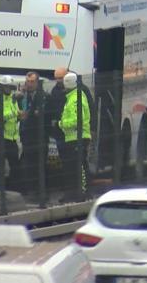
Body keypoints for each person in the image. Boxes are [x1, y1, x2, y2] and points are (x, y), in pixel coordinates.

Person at [58, 72, 91, 201]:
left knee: (80, 165)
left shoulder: (76, 99)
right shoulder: (72, 97)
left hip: (79, 137)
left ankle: (82, 193)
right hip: (72, 137)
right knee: (71, 167)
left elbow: (78, 119)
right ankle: (72, 193)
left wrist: (62, 124)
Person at [0, 75, 21, 191]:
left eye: (11, 87)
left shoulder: (12, 98)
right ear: (1, 87)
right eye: (7, 87)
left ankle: (13, 190)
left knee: (15, 165)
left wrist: (19, 116)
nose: (9, 90)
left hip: (11, 137)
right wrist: (16, 113)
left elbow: (15, 114)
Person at [18, 71, 45, 195]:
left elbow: (41, 115)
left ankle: (40, 192)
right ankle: (30, 191)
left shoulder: (42, 96)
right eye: (28, 81)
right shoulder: (22, 96)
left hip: (39, 137)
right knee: (28, 166)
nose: (29, 84)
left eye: (32, 82)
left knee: (39, 166)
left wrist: (30, 115)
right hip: (26, 136)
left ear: (37, 82)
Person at [44, 67, 68, 188]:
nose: (58, 81)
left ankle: (79, 189)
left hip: (73, 133)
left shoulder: (77, 90)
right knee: (64, 161)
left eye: (61, 78)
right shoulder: (55, 91)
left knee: (75, 162)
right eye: (56, 78)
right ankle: (67, 187)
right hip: (59, 132)